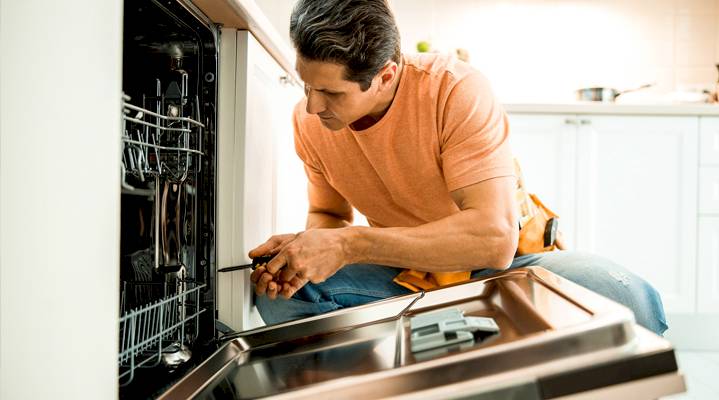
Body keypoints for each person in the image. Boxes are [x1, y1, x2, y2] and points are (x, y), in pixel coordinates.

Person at [248, 0, 667, 335]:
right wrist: (310, 255)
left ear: (385, 74)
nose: (312, 105)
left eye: (329, 92)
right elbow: (329, 214)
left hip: (505, 268)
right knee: (280, 296)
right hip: (404, 274)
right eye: (307, 85)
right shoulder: (310, 122)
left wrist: (348, 246)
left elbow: (493, 240)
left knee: (628, 297)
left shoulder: (454, 89)